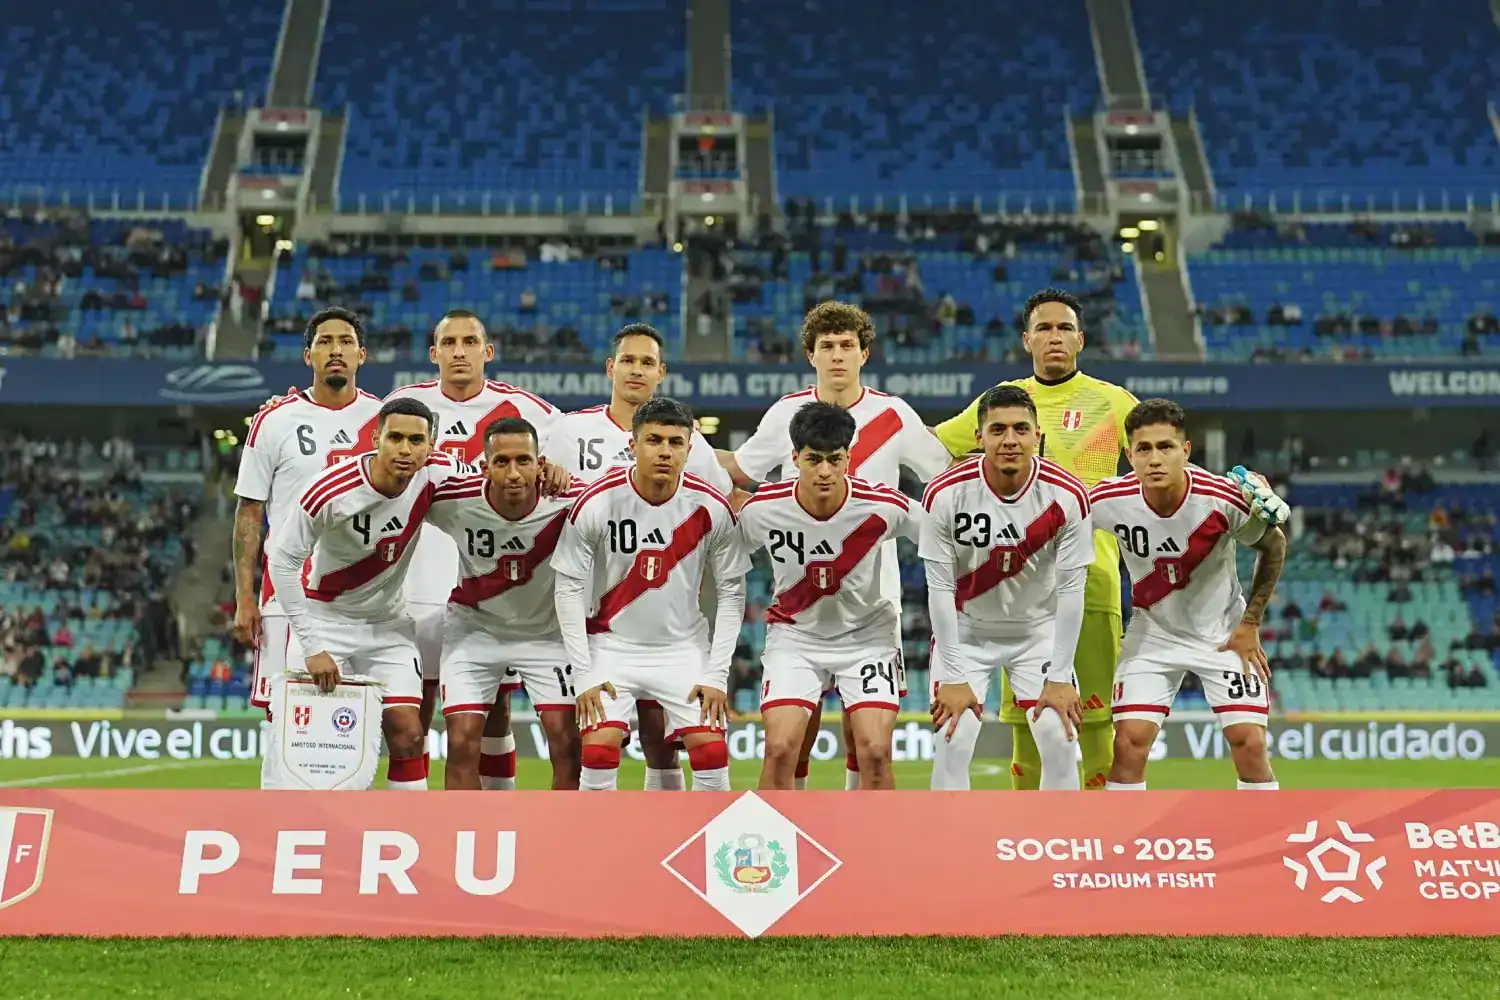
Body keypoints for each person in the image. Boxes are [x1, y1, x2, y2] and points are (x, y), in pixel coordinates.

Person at [718, 301, 949, 790]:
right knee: (788, 745)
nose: (838, 355)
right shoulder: (785, 414)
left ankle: (859, 846)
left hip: (872, 595)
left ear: (865, 353)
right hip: (799, 591)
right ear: (811, 354)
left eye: (848, 346)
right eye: (828, 347)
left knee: (864, 742)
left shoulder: (894, 414)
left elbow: (944, 481)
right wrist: (689, 448)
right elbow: (742, 472)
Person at [932, 287, 1140, 791]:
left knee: (1089, 717)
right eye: (1043, 329)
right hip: (1016, 591)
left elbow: (1163, 465)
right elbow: (932, 447)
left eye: (1064, 328)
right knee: (1027, 718)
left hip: (1089, 581)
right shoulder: (1003, 403)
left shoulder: (1114, 403)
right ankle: (1028, 836)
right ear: (1026, 339)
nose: (1054, 337)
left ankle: (1092, 836)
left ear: (1081, 339)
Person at [544, 322, 739, 792]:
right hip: (607, 636)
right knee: (596, 748)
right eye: (655, 441)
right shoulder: (571, 438)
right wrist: (584, 670)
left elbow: (732, 580)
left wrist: (716, 672)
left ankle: (697, 853)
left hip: (681, 640)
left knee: (700, 751)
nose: (666, 451)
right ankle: (596, 857)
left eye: (675, 444)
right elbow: (565, 579)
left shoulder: (707, 501)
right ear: (633, 446)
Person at [384, 309, 565, 789]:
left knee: (497, 709)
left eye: (469, 342)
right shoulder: (406, 404)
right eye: (449, 343)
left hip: (493, 582)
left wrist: (557, 472)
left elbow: (564, 468)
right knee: (416, 708)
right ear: (434, 353)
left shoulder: (532, 411)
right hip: (415, 578)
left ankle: (496, 815)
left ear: (488, 352)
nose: (459, 352)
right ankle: (420, 816)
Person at [265, 396, 471, 791]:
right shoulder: (330, 489)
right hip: (324, 623)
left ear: (431, 445)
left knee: (410, 735)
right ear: (376, 438)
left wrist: (550, 474)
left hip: (388, 628)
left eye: (416, 440)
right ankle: (299, 835)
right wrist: (312, 646)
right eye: (395, 437)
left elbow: (492, 484)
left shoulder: (437, 474)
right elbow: (282, 563)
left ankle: (409, 835)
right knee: (307, 749)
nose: (405, 449)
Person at [1089, 398, 1288, 791]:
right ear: (1129, 455)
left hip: (1224, 634)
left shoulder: (1222, 498)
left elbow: (1274, 546)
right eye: (1143, 449)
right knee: (1129, 743)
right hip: (1153, 635)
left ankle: (1267, 842)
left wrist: (1250, 624)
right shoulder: (1108, 500)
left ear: (1186, 451)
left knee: (1249, 743)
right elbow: (1058, 524)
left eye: (1166, 447)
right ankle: (1120, 847)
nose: (1155, 459)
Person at [231, 307, 384, 789]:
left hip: (364, 597)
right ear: (308, 355)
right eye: (324, 342)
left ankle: (346, 828)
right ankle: (278, 829)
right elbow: (249, 515)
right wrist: (243, 597)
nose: (334, 349)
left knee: (360, 723)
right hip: (286, 596)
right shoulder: (274, 421)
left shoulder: (385, 420)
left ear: (362, 354)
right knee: (284, 719)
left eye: (344, 341)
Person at [738, 401, 923, 791]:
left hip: (868, 638)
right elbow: (724, 563)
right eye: (813, 459)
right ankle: (781, 848)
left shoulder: (884, 506)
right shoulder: (764, 510)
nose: (825, 471)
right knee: (780, 749)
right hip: (795, 638)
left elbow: (943, 542)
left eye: (835, 460)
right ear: (794, 457)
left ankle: (872, 849)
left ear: (848, 458)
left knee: (875, 751)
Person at [920, 385, 1093, 791]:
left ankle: (1060, 849)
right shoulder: (944, 493)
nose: (1010, 440)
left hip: (1039, 634)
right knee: (953, 738)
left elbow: (1072, 591)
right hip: (966, 633)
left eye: (1020, 429)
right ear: (979, 438)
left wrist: (1062, 674)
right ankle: (949, 850)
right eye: (997, 430)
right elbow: (939, 588)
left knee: (1059, 737)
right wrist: (955, 675)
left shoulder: (1068, 495)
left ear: (1038, 435)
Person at [423, 417, 585, 790]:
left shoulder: (571, 499)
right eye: (502, 462)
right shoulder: (455, 500)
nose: (514, 473)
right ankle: (466, 837)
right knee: (462, 741)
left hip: (547, 634)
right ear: (485, 467)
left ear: (540, 463)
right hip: (474, 631)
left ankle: (567, 843)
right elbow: (400, 491)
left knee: (566, 742)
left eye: (524, 461)